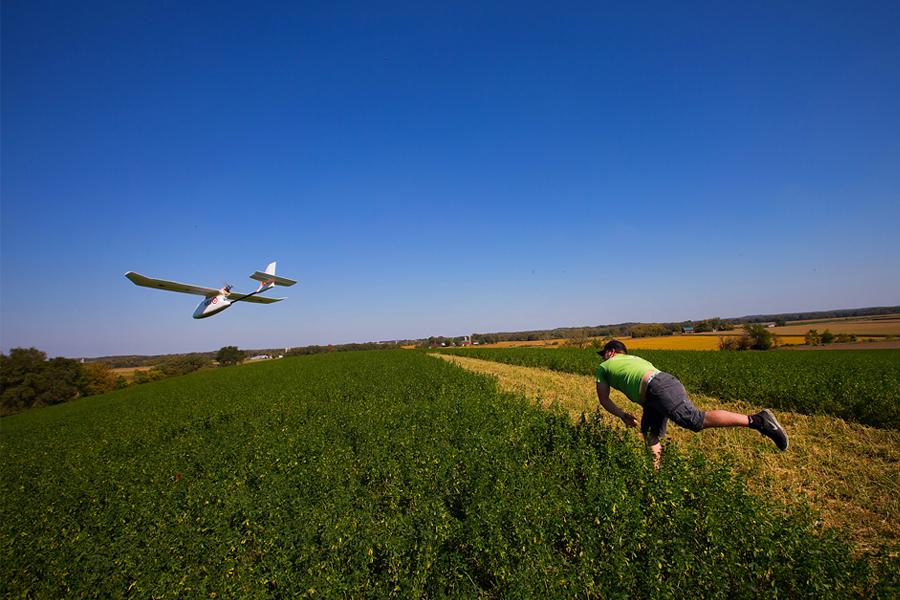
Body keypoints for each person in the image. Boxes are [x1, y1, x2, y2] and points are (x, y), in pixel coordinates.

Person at [594, 339, 788, 467]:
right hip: (658, 390)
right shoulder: (634, 358)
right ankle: (657, 476)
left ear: (611, 352)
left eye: (603, 353)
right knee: (650, 433)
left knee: (694, 420)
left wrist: (622, 415)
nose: (602, 357)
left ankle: (758, 420)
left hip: (657, 389)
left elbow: (604, 399)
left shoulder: (605, 366)